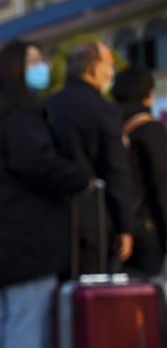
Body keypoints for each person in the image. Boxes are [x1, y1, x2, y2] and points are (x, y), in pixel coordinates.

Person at [0, 40, 92, 348]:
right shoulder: (20, 119)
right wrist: (79, 176)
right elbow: (38, 165)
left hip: (2, 231)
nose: (42, 67)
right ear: (16, 69)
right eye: (35, 61)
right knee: (28, 313)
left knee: (8, 313)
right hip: (29, 232)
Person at [46, 41, 134, 274]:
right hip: (96, 216)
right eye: (109, 65)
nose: (111, 72)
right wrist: (125, 226)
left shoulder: (48, 106)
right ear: (93, 69)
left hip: (53, 216)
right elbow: (116, 171)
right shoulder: (104, 110)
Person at [112, 65, 167, 277]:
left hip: (116, 227)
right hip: (147, 227)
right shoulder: (149, 129)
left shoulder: (110, 124)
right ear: (147, 94)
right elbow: (160, 182)